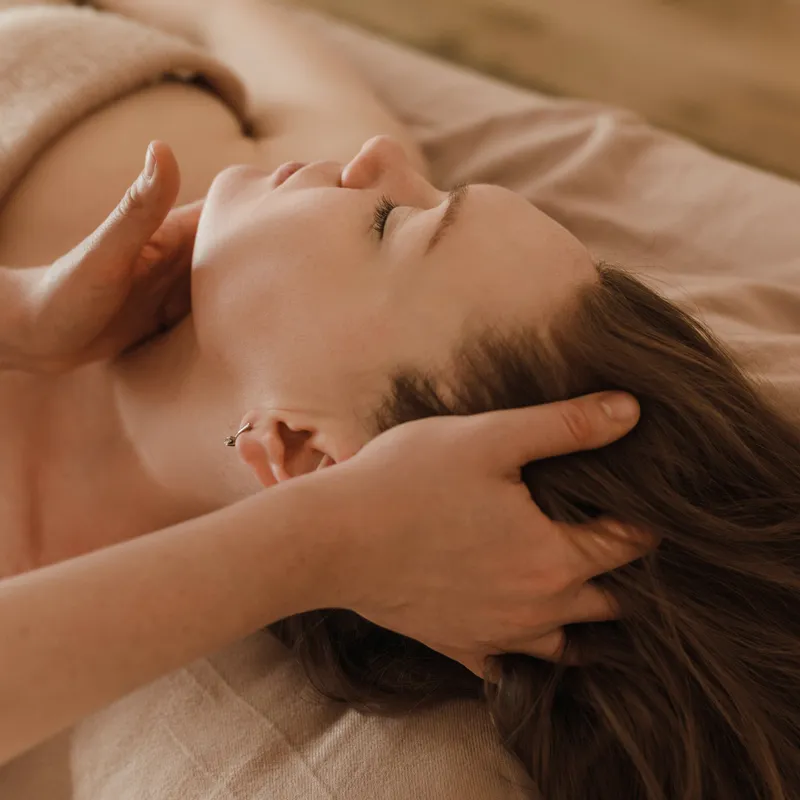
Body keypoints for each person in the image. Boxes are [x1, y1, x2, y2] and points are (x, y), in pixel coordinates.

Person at [1, 2, 798, 798]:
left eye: (391, 222)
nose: (378, 157)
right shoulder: (292, 206)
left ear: (303, 451)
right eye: (439, 195)